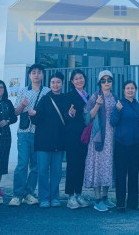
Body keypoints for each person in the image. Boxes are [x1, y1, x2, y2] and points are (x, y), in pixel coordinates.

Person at [9, 64, 50, 207]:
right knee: (22, 164)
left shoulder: (47, 91)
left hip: (40, 133)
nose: (36, 75)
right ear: (29, 75)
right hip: (24, 132)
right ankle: (17, 194)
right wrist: (22, 105)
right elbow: (15, 113)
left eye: (39, 72)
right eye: (34, 72)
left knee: (35, 166)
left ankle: (29, 193)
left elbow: (49, 113)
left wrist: (38, 113)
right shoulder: (23, 91)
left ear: (42, 75)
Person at [31, 72, 69, 208]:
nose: (55, 85)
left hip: (59, 140)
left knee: (56, 171)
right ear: (50, 84)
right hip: (43, 141)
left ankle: (55, 197)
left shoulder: (66, 99)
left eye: (58, 82)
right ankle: (44, 198)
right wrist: (33, 115)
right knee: (42, 171)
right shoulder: (44, 99)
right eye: (53, 82)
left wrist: (71, 114)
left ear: (62, 84)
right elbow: (36, 120)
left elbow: (68, 118)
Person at [83, 70, 117, 212]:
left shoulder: (115, 97)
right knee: (97, 165)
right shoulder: (95, 96)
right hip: (98, 136)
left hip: (111, 137)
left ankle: (105, 197)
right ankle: (97, 199)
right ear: (99, 83)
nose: (106, 82)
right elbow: (87, 117)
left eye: (109, 80)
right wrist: (97, 104)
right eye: (103, 80)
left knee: (108, 165)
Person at [110, 80, 139, 212]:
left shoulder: (138, 105)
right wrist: (117, 111)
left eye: (132, 88)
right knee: (121, 174)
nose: (130, 90)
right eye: (127, 88)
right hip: (121, 144)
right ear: (124, 90)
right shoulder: (119, 104)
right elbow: (113, 122)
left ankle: (133, 203)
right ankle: (120, 203)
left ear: (135, 90)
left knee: (134, 174)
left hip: (135, 144)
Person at [64, 69, 90, 210]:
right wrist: (70, 113)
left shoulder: (88, 95)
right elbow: (65, 115)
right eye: (76, 79)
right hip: (72, 135)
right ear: (72, 82)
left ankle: (78, 194)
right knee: (72, 165)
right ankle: (70, 196)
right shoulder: (69, 95)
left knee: (81, 164)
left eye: (81, 78)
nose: (79, 80)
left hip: (84, 136)